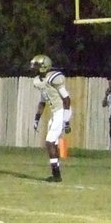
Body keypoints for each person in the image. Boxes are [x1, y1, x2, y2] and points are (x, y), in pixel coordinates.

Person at [29, 54, 71, 182]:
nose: (34, 68)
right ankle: (56, 173)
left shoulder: (54, 78)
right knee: (54, 143)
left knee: (49, 142)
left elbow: (67, 99)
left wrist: (66, 120)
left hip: (61, 111)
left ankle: (56, 174)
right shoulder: (38, 81)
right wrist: (37, 118)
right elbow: (43, 101)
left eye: (37, 65)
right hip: (55, 112)